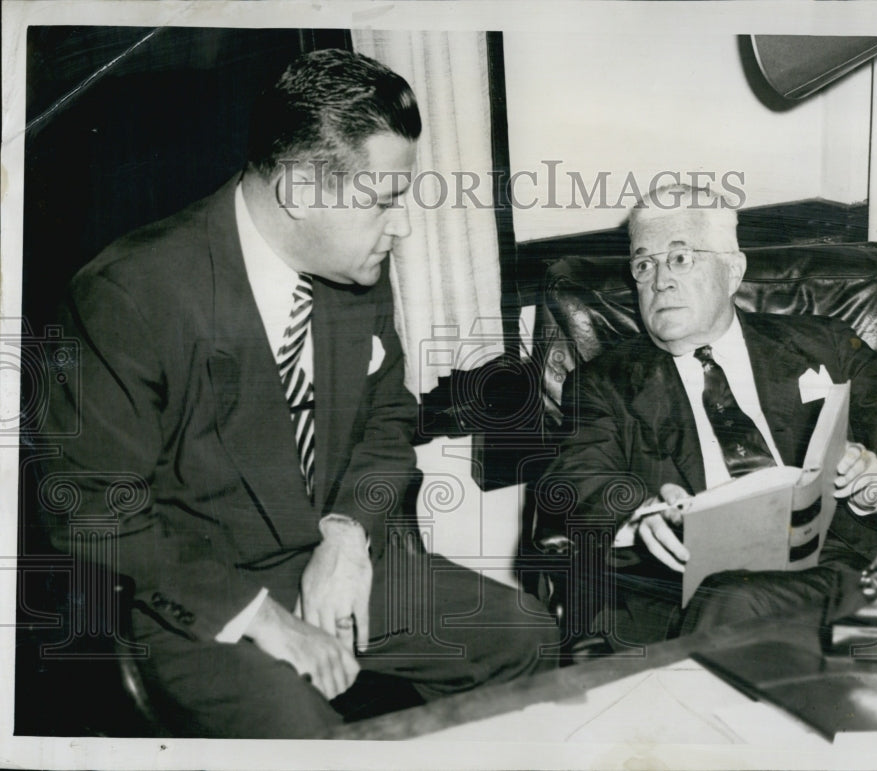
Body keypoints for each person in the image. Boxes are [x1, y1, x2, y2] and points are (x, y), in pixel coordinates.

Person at [40, 48, 557, 738]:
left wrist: (347, 535)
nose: (400, 227)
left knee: (523, 633)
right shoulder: (131, 294)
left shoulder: (350, 269)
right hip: (197, 602)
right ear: (302, 191)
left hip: (325, 556)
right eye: (383, 202)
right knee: (305, 735)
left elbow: (388, 416)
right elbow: (95, 509)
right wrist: (264, 617)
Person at [533, 183, 877, 650]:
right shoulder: (605, 381)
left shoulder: (826, 344)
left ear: (733, 270)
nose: (659, 281)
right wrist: (639, 508)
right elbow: (573, 477)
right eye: (643, 264)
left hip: (824, 572)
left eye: (680, 258)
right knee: (732, 604)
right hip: (685, 582)